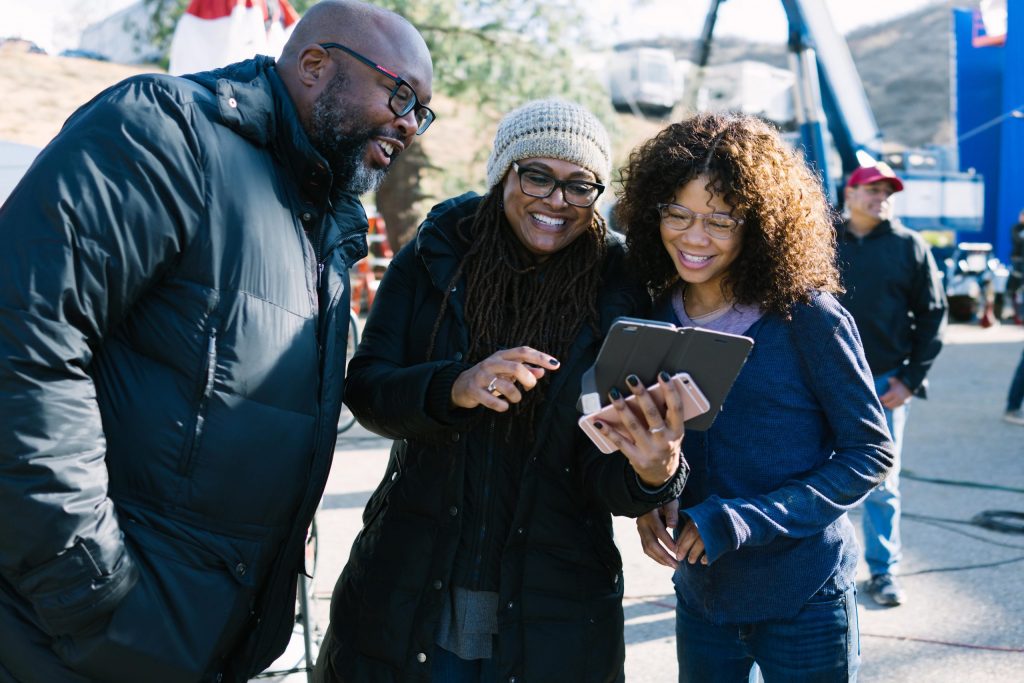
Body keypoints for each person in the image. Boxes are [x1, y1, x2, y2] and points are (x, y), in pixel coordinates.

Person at [0, 2, 433, 681]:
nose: (410, 125)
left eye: (422, 111)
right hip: (67, 639)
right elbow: (24, 343)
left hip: (209, 645)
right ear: (316, 65)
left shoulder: (325, 224)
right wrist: (90, 590)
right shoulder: (164, 132)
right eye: (401, 94)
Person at [313, 99, 690, 683]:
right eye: (536, 175)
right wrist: (455, 387)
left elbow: (606, 476)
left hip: (555, 604)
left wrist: (654, 471)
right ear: (502, 172)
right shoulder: (439, 250)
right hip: (411, 583)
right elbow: (366, 390)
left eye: (578, 185)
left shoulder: (620, 284)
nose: (556, 201)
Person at [618, 113, 895, 682]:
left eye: (721, 220)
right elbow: (656, 441)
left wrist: (744, 519)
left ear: (762, 225)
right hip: (704, 599)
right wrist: (651, 498)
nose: (695, 238)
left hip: (806, 598)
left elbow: (871, 453)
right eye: (679, 213)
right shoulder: (651, 315)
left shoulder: (808, 318)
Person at [836, 165, 948, 607]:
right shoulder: (822, 239)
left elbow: (934, 316)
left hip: (884, 384)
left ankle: (883, 573)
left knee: (883, 484)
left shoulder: (909, 247)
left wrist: (910, 380)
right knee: (818, 477)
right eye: (871, 189)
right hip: (826, 382)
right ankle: (827, 570)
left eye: (887, 191)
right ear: (851, 192)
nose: (879, 196)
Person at [1007, 209, 1024, 324]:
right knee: (1015, 288)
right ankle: (1017, 314)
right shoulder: (1015, 228)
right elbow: (1017, 241)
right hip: (1018, 262)